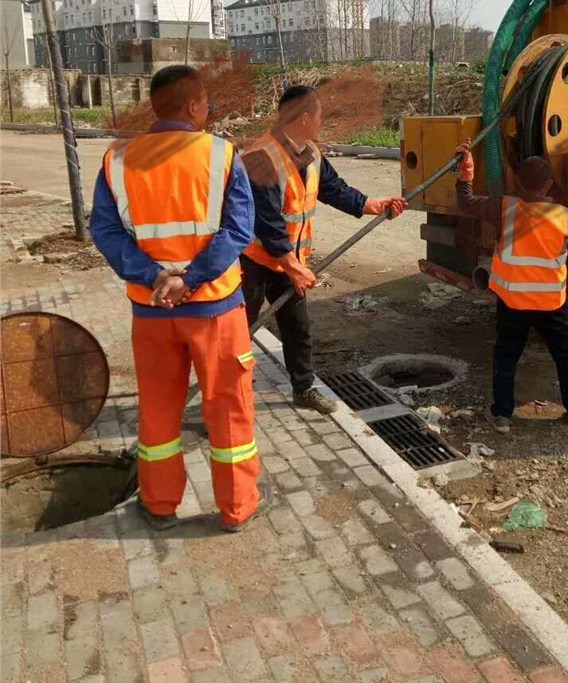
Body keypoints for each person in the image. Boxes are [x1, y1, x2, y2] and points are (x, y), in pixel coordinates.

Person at [90, 64, 266, 532]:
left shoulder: (117, 161)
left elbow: (105, 231)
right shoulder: (222, 155)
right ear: (193, 106)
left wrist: (154, 277)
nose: (207, 109)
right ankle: (236, 507)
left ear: (154, 105)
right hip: (215, 310)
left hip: (151, 312)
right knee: (228, 407)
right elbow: (238, 231)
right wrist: (192, 279)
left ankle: (161, 504)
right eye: (205, 102)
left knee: (158, 406)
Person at [240, 84, 408, 414]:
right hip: (254, 263)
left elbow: (334, 189)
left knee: (298, 329)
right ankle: (228, 397)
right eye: (318, 115)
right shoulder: (261, 157)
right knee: (238, 335)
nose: (321, 120)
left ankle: (303, 389)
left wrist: (374, 204)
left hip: (290, 264)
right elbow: (268, 221)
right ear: (304, 118)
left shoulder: (310, 153)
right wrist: (292, 265)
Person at [454, 140, 568, 433]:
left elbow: (465, 203)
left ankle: (502, 415)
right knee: (564, 357)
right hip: (552, 304)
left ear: (516, 181)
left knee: (506, 356)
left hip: (513, 302)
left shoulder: (505, 209)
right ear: (550, 184)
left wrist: (465, 176)